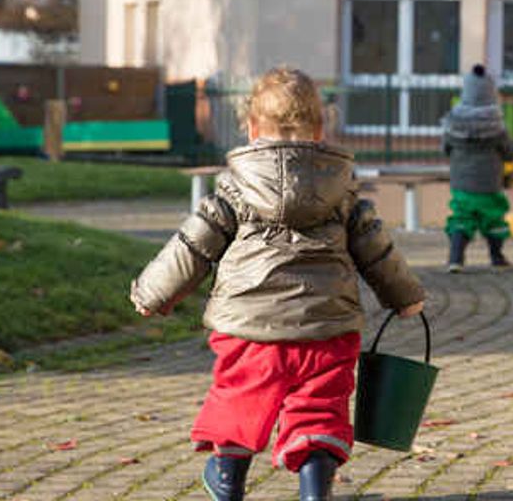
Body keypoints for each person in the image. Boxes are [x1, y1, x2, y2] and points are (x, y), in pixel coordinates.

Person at [130, 67, 426, 501]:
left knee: (240, 399)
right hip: (328, 328)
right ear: (321, 128)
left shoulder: (233, 191)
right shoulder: (342, 193)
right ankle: (313, 492)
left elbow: (193, 244)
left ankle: (228, 481)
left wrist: (153, 293)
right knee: (320, 411)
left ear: (251, 129)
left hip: (250, 330)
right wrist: (406, 298)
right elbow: (376, 250)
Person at [442, 64, 513, 272]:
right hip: (489, 183)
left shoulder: (453, 121)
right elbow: (509, 151)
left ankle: (455, 258)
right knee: (493, 219)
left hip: (461, 182)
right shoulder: (496, 123)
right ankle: (497, 258)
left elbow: (445, 148)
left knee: (461, 218)